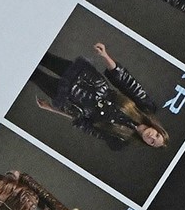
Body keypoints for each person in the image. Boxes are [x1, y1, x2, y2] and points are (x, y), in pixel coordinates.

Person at [30, 43, 169, 150]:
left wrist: (52, 109)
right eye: (157, 135)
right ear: (157, 128)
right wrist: (105, 55)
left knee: (34, 75)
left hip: (73, 102)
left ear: (148, 144)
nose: (151, 137)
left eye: (152, 142)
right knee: (45, 57)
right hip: (88, 81)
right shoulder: (145, 106)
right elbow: (125, 80)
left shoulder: (120, 140)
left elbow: (86, 125)